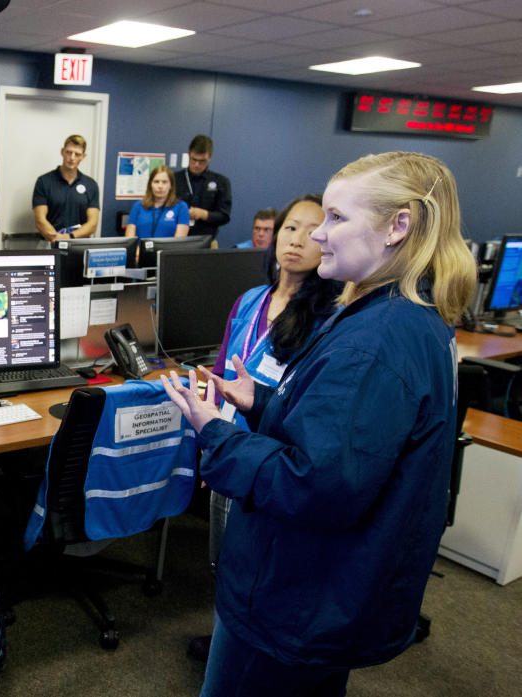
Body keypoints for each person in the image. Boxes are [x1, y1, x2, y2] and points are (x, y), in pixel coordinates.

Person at [162, 151, 476, 696]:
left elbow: (313, 483)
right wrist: (259, 402)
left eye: (336, 218)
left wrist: (217, 431)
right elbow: (345, 439)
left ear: (398, 225)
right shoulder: (400, 318)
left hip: (294, 598)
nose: (319, 237)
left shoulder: (374, 341)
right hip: (329, 593)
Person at [187, 194, 342, 662]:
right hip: (229, 439)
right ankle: (225, 637)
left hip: (272, 449)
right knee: (222, 550)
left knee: (257, 559)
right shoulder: (251, 300)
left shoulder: (327, 317)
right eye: (290, 227)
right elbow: (219, 372)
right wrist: (206, 432)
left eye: (312, 231)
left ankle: (244, 648)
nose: (296, 240)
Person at [32, 134, 100, 242]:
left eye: (77, 154)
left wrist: (68, 238)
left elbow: (92, 224)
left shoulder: (91, 185)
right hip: (50, 243)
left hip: (78, 244)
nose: (72, 158)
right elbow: (40, 220)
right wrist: (56, 239)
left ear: (83, 157)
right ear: (62, 152)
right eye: (69, 152)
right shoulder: (44, 181)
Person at [175, 134, 231, 241]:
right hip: (176, 240)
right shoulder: (174, 179)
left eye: (202, 161)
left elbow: (225, 216)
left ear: (210, 157)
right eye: (193, 159)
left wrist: (203, 214)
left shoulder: (221, 182)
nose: (197, 164)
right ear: (189, 154)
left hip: (206, 241)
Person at [123, 165, 190, 238]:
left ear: (171, 185)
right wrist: (138, 249)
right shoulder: (138, 206)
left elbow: (178, 242)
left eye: (164, 182)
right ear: (150, 184)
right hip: (140, 249)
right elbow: (130, 239)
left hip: (168, 249)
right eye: (156, 182)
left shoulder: (181, 207)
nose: (160, 186)